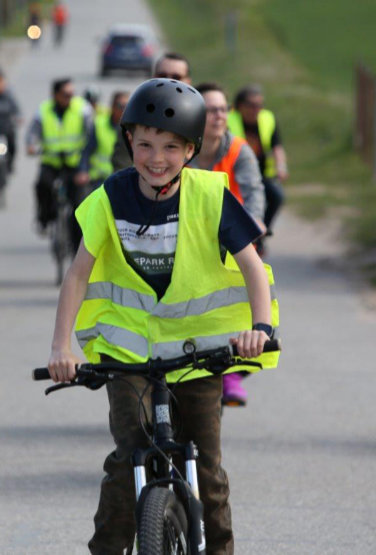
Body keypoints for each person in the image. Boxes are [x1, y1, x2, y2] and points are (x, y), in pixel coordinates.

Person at [46, 78, 279, 554]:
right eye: (146, 143)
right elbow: (77, 275)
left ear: (191, 149)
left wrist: (261, 328)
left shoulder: (212, 195)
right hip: (128, 353)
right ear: (129, 140)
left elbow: (252, 264)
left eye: (171, 147)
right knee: (127, 460)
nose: (156, 158)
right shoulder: (111, 195)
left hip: (200, 353)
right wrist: (60, 348)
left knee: (207, 470)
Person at [189, 82, 267, 408]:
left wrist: (255, 222)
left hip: (233, 238)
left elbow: (253, 190)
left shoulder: (237, 149)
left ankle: (231, 372)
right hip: (191, 238)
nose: (218, 116)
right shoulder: (183, 149)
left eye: (222, 109)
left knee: (250, 303)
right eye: (210, 110)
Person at [25, 77, 93, 251]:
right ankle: (44, 218)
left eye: (72, 94)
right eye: (65, 94)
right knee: (42, 185)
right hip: (52, 162)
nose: (69, 97)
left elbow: (91, 133)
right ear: (55, 95)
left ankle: (77, 245)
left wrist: (87, 156)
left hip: (74, 163)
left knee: (78, 203)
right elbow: (32, 132)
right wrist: (31, 146)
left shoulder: (82, 109)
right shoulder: (44, 110)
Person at [111, 52, 193, 173]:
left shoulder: (200, 117)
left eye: (176, 77)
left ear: (188, 81)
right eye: (162, 75)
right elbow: (122, 165)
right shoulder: (134, 115)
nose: (169, 81)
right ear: (153, 77)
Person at [228, 85, 288, 241]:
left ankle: (260, 236)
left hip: (261, 174)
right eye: (251, 105)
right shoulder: (229, 120)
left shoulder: (267, 118)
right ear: (240, 106)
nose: (256, 109)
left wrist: (281, 166)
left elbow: (277, 146)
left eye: (260, 105)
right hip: (235, 174)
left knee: (277, 196)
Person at [83, 91, 129, 192]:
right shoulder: (99, 124)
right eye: (120, 106)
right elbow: (87, 150)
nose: (123, 109)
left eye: (127, 106)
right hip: (100, 179)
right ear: (112, 107)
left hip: (125, 180)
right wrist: (83, 171)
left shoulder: (134, 128)